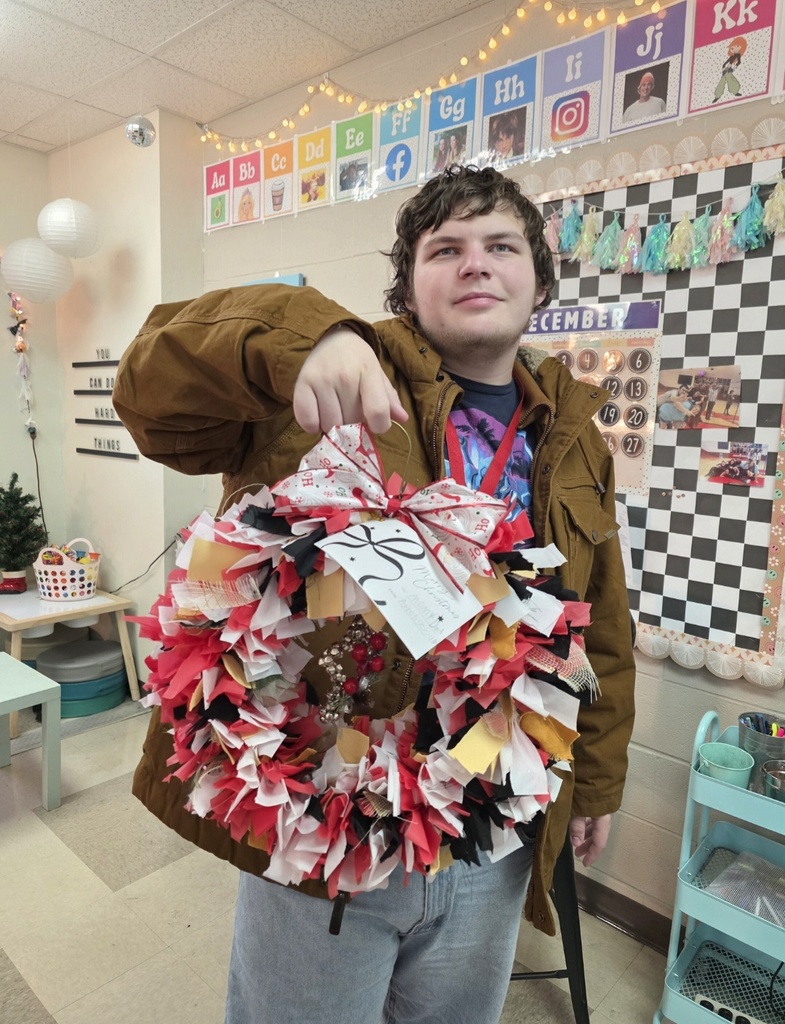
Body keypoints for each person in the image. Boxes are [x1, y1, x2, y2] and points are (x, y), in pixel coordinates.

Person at [113, 166, 635, 1024]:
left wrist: (601, 782)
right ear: (407, 284)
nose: (476, 265)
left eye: (500, 246)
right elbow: (147, 392)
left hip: (486, 820)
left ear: (537, 280)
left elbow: (601, 626)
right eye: (446, 249)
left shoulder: (573, 435)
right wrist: (302, 338)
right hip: (324, 812)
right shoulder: (321, 384)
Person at [713, 37, 746, 103]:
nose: (732, 49)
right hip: (725, 70)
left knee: (731, 80)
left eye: (733, 47)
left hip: (729, 70)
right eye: (731, 48)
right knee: (723, 81)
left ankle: (733, 91)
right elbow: (726, 62)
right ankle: (717, 95)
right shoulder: (732, 56)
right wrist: (723, 67)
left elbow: (739, 62)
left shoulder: (738, 55)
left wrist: (733, 68)